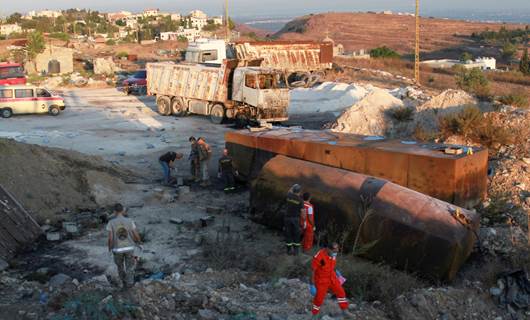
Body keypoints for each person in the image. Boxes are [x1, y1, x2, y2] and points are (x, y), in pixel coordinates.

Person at [106, 203, 142, 289]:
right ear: (123, 210)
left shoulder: (111, 223)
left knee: (120, 266)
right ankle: (130, 283)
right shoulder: (130, 221)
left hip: (117, 249)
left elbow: (110, 239)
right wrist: (139, 243)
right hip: (129, 248)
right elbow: (136, 234)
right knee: (130, 266)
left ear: (114, 212)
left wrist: (110, 249)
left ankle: (122, 283)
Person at [311, 242, 351, 318]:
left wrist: (337, 273)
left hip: (332, 277)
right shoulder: (319, 256)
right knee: (319, 299)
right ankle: (314, 315)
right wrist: (312, 284)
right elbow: (313, 270)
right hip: (321, 280)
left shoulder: (333, 254)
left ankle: (345, 311)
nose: (336, 252)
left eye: (337, 249)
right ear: (328, 249)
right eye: (334, 250)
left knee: (341, 292)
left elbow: (332, 264)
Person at [284, 184, 304, 256]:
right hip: (295, 219)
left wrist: (292, 187)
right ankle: (296, 251)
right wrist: (303, 221)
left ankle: (289, 250)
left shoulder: (288, 195)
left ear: (293, 190)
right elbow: (303, 212)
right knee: (296, 234)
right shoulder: (300, 200)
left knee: (288, 233)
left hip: (287, 218)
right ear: (300, 191)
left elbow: (289, 191)